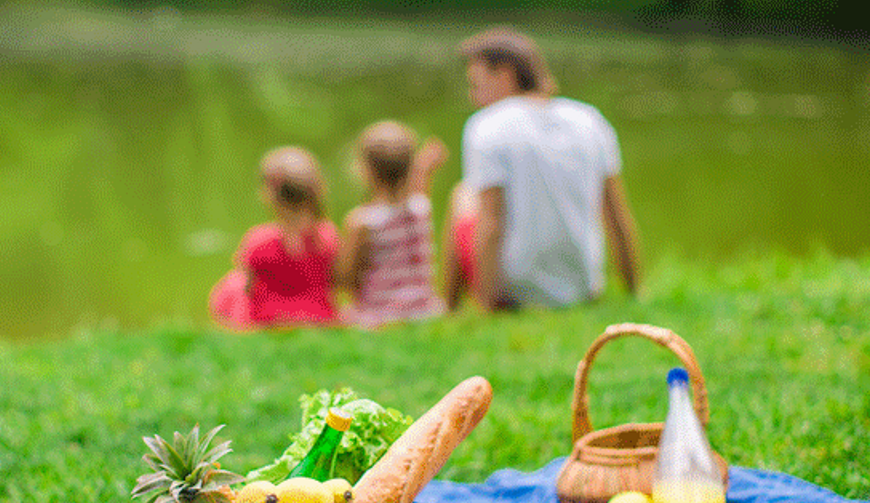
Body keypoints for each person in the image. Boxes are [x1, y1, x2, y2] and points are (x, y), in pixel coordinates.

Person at [446, 27, 642, 311]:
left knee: (462, 195)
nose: (473, 96)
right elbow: (616, 213)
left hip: (516, 293)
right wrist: (634, 289)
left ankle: (450, 307)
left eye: (477, 84)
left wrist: (486, 306)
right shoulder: (590, 119)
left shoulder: (487, 125)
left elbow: (491, 223)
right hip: (584, 287)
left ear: (504, 75)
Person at [208, 147, 340, 330]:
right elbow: (334, 281)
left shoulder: (259, 240)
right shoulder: (328, 235)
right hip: (319, 316)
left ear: (269, 195)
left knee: (232, 283)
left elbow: (248, 287)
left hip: (267, 320)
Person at [337, 120, 448, 328]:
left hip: (378, 314)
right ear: (410, 167)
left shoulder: (361, 222)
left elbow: (345, 279)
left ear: (365, 170)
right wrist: (425, 168)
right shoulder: (422, 209)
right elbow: (418, 190)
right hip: (424, 311)